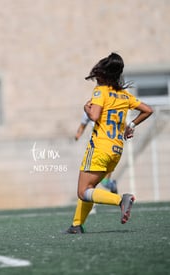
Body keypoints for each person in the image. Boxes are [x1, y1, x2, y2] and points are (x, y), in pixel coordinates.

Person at [66, 53, 153, 234]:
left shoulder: (100, 91)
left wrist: (86, 108)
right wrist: (131, 124)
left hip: (99, 147)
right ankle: (76, 225)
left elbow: (94, 115)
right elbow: (148, 110)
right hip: (116, 150)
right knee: (90, 188)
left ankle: (121, 200)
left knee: (83, 192)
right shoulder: (124, 96)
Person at [75, 112, 118, 194]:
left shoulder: (110, 109)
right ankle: (112, 188)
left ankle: (113, 189)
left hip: (108, 147)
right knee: (93, 182)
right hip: (96, 147)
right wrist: (78, 134)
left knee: (99, 182)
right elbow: (82, 126)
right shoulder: (89, 111)